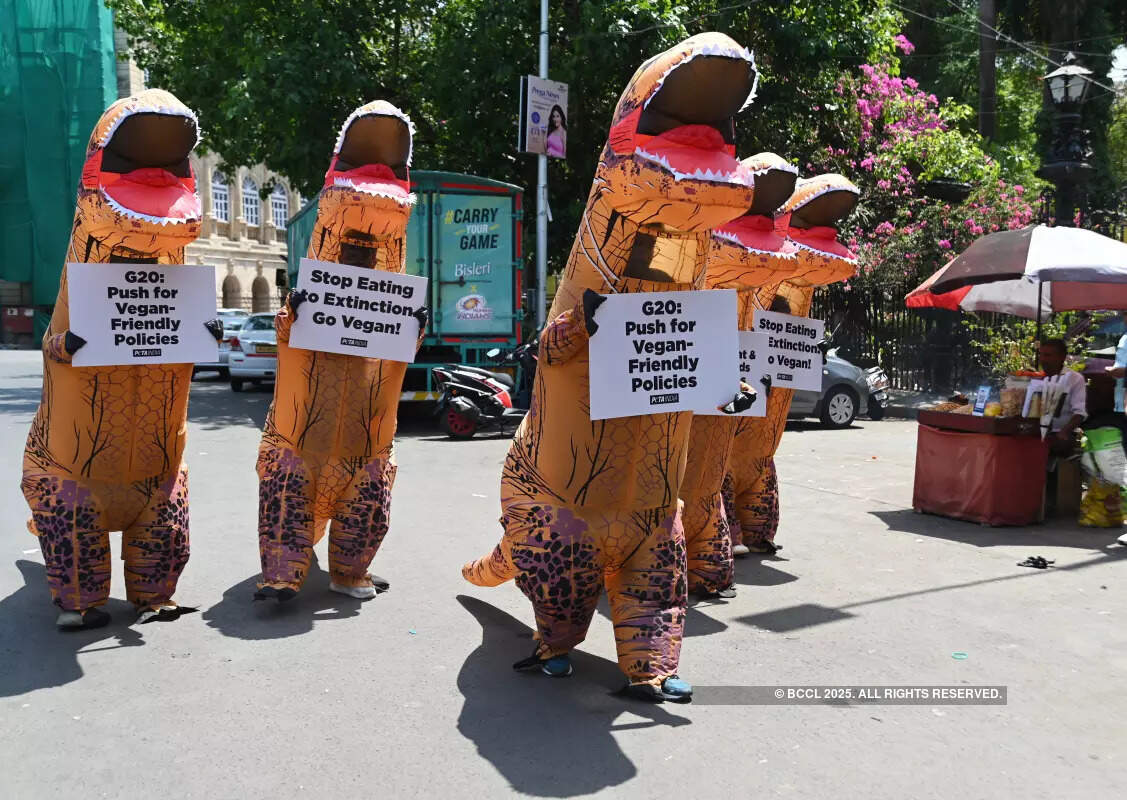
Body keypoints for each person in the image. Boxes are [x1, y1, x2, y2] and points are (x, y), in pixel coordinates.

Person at [462, 32, 759, 703]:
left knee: (655, 574)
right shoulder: (603, 237)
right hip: (561, 496)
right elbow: (552, 353)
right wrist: (575, 333)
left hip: (652, 500)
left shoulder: (697, 258)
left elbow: (686, 350)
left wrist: (723, 382)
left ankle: (649, 665)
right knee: (561, 585)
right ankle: (553, 643)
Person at [21, 89, 218, 629]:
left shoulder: (179, 271)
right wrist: (63, 345)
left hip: (157, 464)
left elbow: (181, 357)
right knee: (71, 521)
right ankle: (79, 602)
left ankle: (155, 595)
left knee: (165, 522)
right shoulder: (81, 268)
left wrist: (200, 333)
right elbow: (52, 348)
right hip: (71, 465)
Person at [253, 101, 427, 603]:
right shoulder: (303, 305)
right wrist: (294, 321)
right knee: (289, 495)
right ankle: (283, 573)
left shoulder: (390, 298)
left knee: (365, 505)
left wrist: (410, 332)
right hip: (298, 438)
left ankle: (351, 571)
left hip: (366, 444)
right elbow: (289, 348)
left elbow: (396, 363)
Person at [1040, 338, 1086, 453]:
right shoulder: (1034, 377)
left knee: (1061, 444)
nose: (1043, 359)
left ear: (1062, 357)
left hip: (1059, 432)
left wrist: (1064, 432)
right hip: (1034, 432)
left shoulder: (1075, 379)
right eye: (1041, 354)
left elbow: (1079, 413)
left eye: (1048, 355)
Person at [1103, 311, 1127, 412]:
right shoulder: (1125, 338)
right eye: (1124, 314)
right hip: (1121, 398)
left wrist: (1124, 372)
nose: (1124, 318)